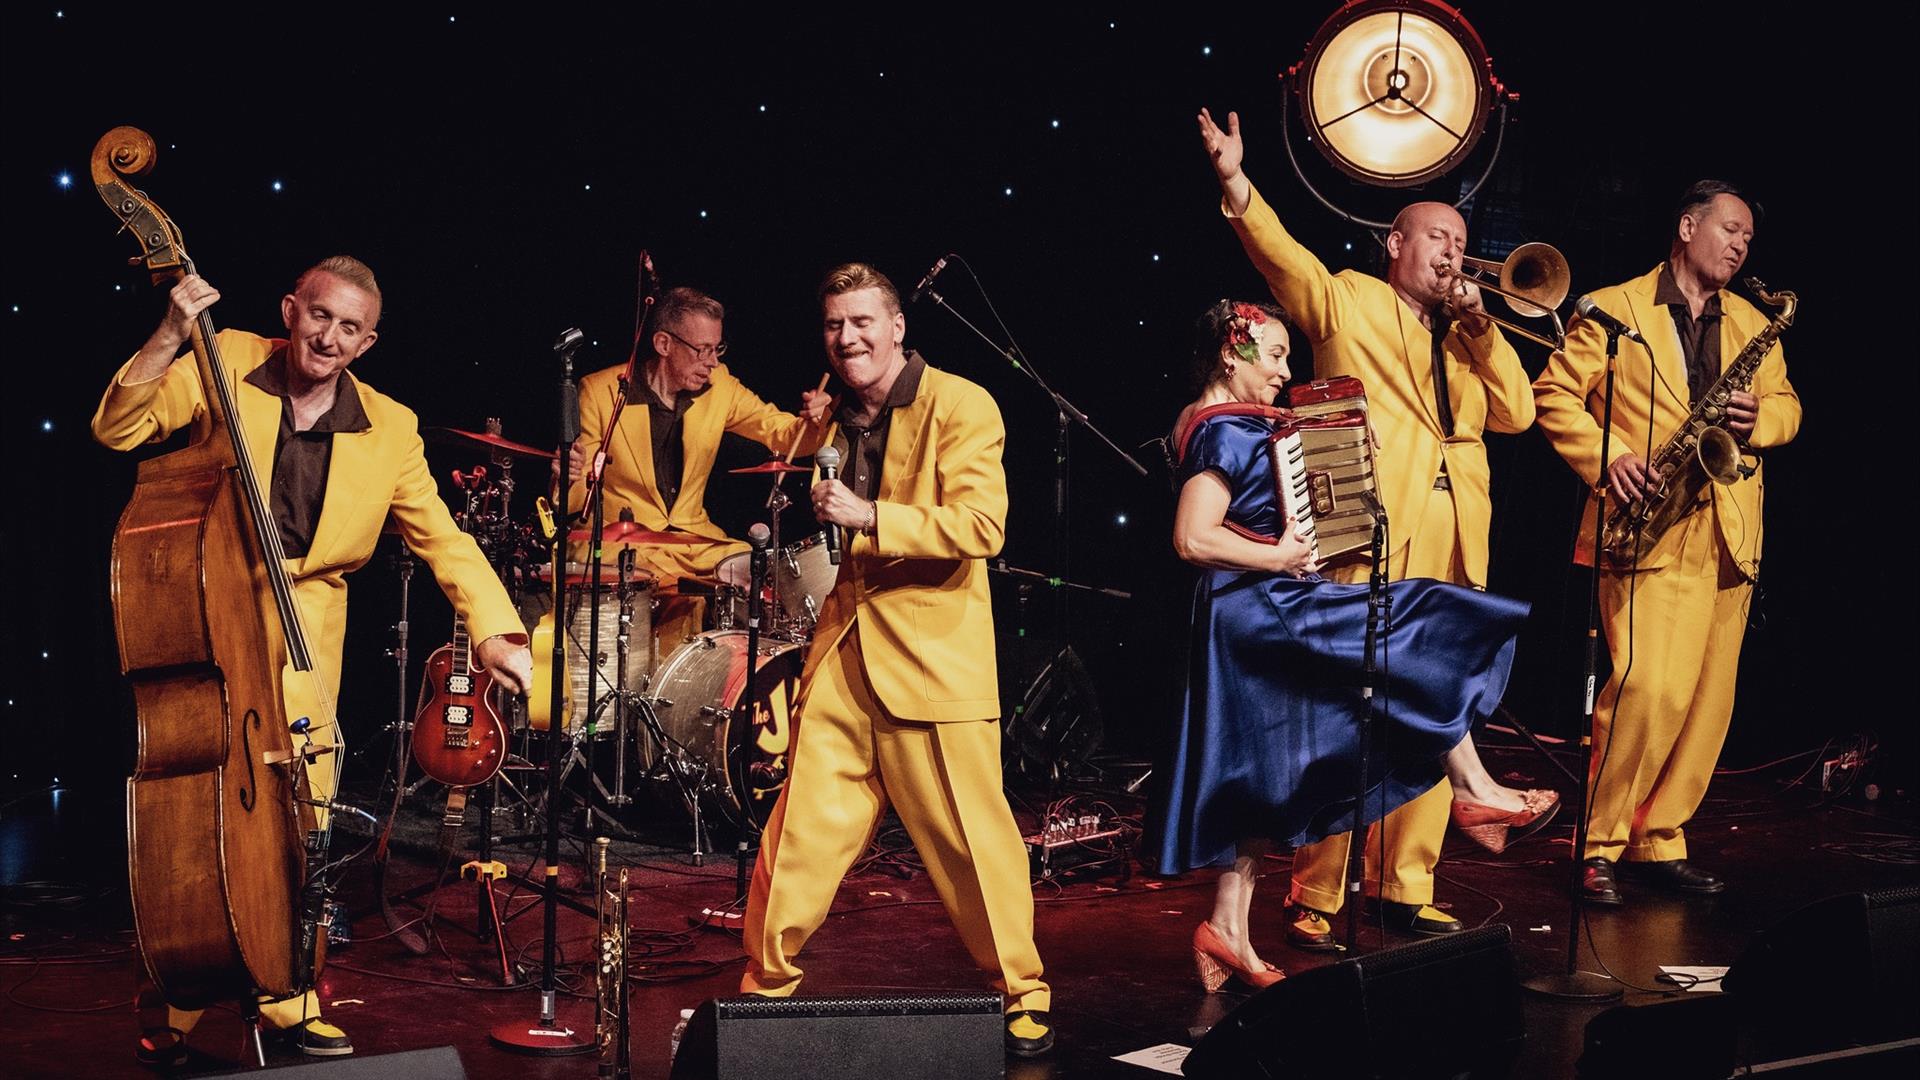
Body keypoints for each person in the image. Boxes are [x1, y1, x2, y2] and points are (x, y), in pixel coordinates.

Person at [93, 257, 532, 1060]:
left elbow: (441, 535)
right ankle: (180, 995)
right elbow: (118, 428)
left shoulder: (391, 426)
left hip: (310, 625)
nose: (329, 337)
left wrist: (497, 628)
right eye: (319, 316)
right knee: (202, 810)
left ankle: (290, 991)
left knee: (304, 815)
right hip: (210, 601)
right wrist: (168, 333)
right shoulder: (223, 361)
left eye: (349, 328)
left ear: (369, 342)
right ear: (291, 310)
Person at [1198, 108, 1557, 946]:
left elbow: (1515, 413)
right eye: (1436, 238)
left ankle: (1406, 879)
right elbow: (1284, 260)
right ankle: (1316, 891)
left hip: (1455, 530)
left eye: (1460, 244)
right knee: (1351, 706)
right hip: (1367, 524)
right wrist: (1235, 184)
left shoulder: (1471, 336)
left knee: (1438, 697)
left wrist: (1478, 323)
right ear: (1396, 244)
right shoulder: (1350, 300)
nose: (1451, 254)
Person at [1155, 299, 1536, 989]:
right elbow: (1192, 537)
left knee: (1260, 773)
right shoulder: (1222, 433)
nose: (1284, 371)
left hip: (1258, 606)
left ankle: (1226, 929)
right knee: (1420, 620)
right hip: (1262, 606)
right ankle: (1473, 785)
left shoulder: (1246, 428)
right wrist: (1281, 557)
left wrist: (1345, 461)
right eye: (1273, 356)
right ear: (1230, 353)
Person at [738, 263, 1052, 1057]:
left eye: (863, 322)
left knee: (969, 840)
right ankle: (763, 988)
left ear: (898, 326)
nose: (847, 339)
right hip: (845, 651)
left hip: (932, 659)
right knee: (799, 832)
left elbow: (983, 525)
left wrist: (873, 514)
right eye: (834, 325)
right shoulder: (834, 423)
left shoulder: (961, 402)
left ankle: (1023, 989)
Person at [1532, 181, 1800, 905]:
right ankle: (1599, 842)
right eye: (1730, 229)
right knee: (1648, 688)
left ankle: (1661, 838)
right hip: (1647, 522)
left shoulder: (1752, 320)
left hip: (1730, 527)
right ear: (1687, 226)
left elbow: (1789, 408)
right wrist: (1609, 454)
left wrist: (1761, 418)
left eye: (1748, 236)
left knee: (1708, 703)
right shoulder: (1615, 309)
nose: (1742, 245)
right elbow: (1554, 393)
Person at [565, 286, 829, 650]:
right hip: (622, 547)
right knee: (677, 592)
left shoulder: (720, 387)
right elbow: (577, 499)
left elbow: (783, 432)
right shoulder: (600, 392)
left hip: (694, 541)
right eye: (702, 350)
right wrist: (565, 476)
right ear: (663, 344)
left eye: (717, 348)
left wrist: (819, 419)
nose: (713, 362)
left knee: (761, 569)